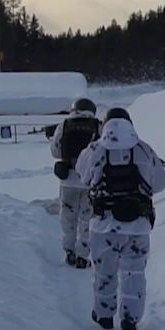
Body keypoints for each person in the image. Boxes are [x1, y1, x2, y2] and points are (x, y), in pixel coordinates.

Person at [78, 107, 165, 330]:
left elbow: (83, 176)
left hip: (102, 225)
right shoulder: (144, 150)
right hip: (137, 225)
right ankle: (130, 321)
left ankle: (104, 315)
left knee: (104, 271)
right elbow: (159, 183)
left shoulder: (95, 150)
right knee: (133, 272)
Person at [50, 97, 102, 268]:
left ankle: (69, 252)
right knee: (87, 219)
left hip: (68, 179)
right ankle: (83, 255)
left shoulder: (64, 126)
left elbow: (56, 151)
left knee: (68, 218)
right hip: (89, 180)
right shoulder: (97, 126)